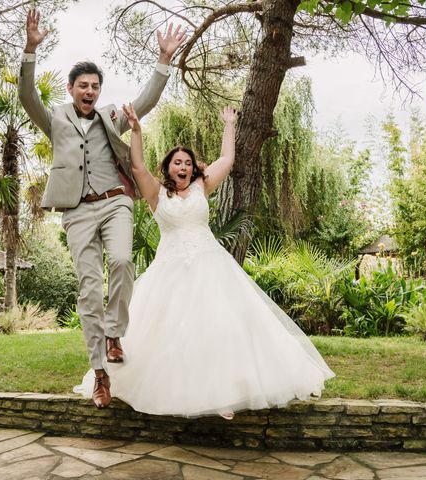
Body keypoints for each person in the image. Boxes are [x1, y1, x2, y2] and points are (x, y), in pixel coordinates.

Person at [74, 103, 335, 418]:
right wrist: (138, 131)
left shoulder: (202, 186)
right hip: (169, 268)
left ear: (193, 169)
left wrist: (229, 124)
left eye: (187, 162)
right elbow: (139, 167)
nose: (182, 166)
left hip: (211, 265)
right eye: (176, 162)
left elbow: (227, 159)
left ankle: (226, 391)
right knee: (169, 331)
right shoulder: (156, 194)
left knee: (222, 325)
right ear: (168, 168)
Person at [18, 9, 187, 409]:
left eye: (95, 85)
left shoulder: (112, 116)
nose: (89, 91)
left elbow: (145, 101)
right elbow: (27, 96)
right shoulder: (55, 119)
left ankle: (115, 333)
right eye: (83, 86)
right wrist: (30, 49)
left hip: (116, 203)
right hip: (77, 210)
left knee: (124, 261)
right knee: (89, 289)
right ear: (71, 88)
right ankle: (100, 374)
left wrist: (163, 59)